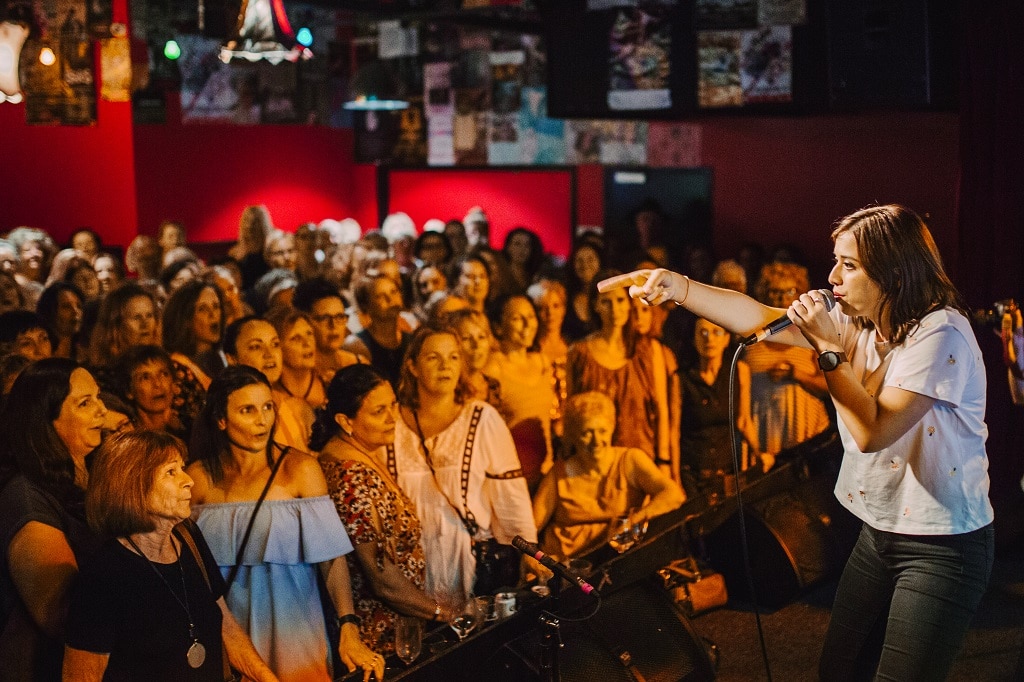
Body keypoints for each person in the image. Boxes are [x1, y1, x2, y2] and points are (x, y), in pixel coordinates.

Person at [602, 204, 995, 681]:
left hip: (942, 547)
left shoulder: (941, 334)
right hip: (878, 534)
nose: (833, 276)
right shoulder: (862, 321)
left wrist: (828, 350)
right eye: (836, 260)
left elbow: (873, 430)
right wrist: (678, 287)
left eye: (849, 265)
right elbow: (757, 319)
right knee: (839, 671)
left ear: (894, 272)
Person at [187, 366, 383, 682]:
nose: (262, 419)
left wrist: (348, 626)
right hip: (228, 638)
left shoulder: (299, 470)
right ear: (221, 420)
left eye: (267, 407)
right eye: (247, 410)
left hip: (296, 633)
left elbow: (331, 559)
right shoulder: (198, 480)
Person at [61, 430, 278, 681]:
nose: (189, 481)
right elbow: (81, 676)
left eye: (182, 468)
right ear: (133, 486)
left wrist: (267, 678)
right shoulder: (104, 574)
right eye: (171, 472)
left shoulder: (188, 538)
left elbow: (225, 625)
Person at [314, 365, 459, 652]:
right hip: (378, 638)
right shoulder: (350, 478)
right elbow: (382, 580)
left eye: (393, 405)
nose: (393, 418)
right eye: (379, 411)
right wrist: (444, 615)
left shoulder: (361, 454)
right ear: (345, 421)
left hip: (401, 625)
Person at [390, 324, 537, 600]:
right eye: (433, 357)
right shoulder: (391, 422)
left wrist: (529, 553)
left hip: (466, 560)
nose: (445, 365)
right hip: (410, 565)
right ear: (412, 366)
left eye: (453, 356)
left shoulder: (481, 418)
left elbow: (510, 495)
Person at [0, 359, 106, 681]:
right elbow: (61, 613)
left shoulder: (97, 476)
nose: (102, 410)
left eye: (99, 397)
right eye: (85, 403)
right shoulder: (26, 497)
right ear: (46, 419)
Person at [533, 392, 685, 562]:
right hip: (563, 564)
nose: (597, 440)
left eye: (602, 431)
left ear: (612, 428)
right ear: (573, 436)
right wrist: (531, 557)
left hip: (613, 562)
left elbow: (673, 495)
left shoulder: (629, 461)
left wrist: (635, 520)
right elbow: (531, 526)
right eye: (587, 433)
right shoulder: (558, 473)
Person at [744, 261, 832, 460]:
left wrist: (797, 375)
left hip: (809, 437)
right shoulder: (751, 334)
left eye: (789, 291)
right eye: (775, 291)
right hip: (762, 439)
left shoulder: (812, 334)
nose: (782, 297)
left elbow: (832, 386)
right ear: (765, 294)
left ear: (800, 293)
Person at [678, 318, 762, 502]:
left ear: (726, 339)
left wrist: (760, 453)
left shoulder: (739, 371)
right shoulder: (681, 379)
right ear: (693, 339)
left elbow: (744, 420)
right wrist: (672, 473)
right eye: (703, 333)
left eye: (716, 332)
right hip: (691, 472)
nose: (709, 339)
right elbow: (672, 431)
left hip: (727, 471)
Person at [489, 295, 556, 491]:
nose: (527, 324)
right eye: (517, 318)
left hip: (545, 474)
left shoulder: (543, 362)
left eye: (531, 316)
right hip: (511, 479)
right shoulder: (493, 369)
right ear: (499, 327)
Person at [222, 315, 315, 453]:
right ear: (232, 359)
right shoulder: (225, 416)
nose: (269, 354)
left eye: (275, 344)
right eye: (256, 347)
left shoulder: (298, 410)